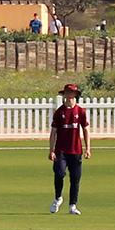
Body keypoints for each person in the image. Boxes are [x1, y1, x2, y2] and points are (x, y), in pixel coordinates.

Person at [49, 83, 91, 215]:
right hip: (61, 150)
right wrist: (51, 150)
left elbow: (85, 129)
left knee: (75, 178)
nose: (69, 95)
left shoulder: (80, 111)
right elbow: (53, 132)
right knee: (60, 174)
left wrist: (88, 148)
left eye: (71, 93)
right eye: (67, 93)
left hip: (76, 150)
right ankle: (58, 197)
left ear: (75, 95)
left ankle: (73, 205)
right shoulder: (59, 112)